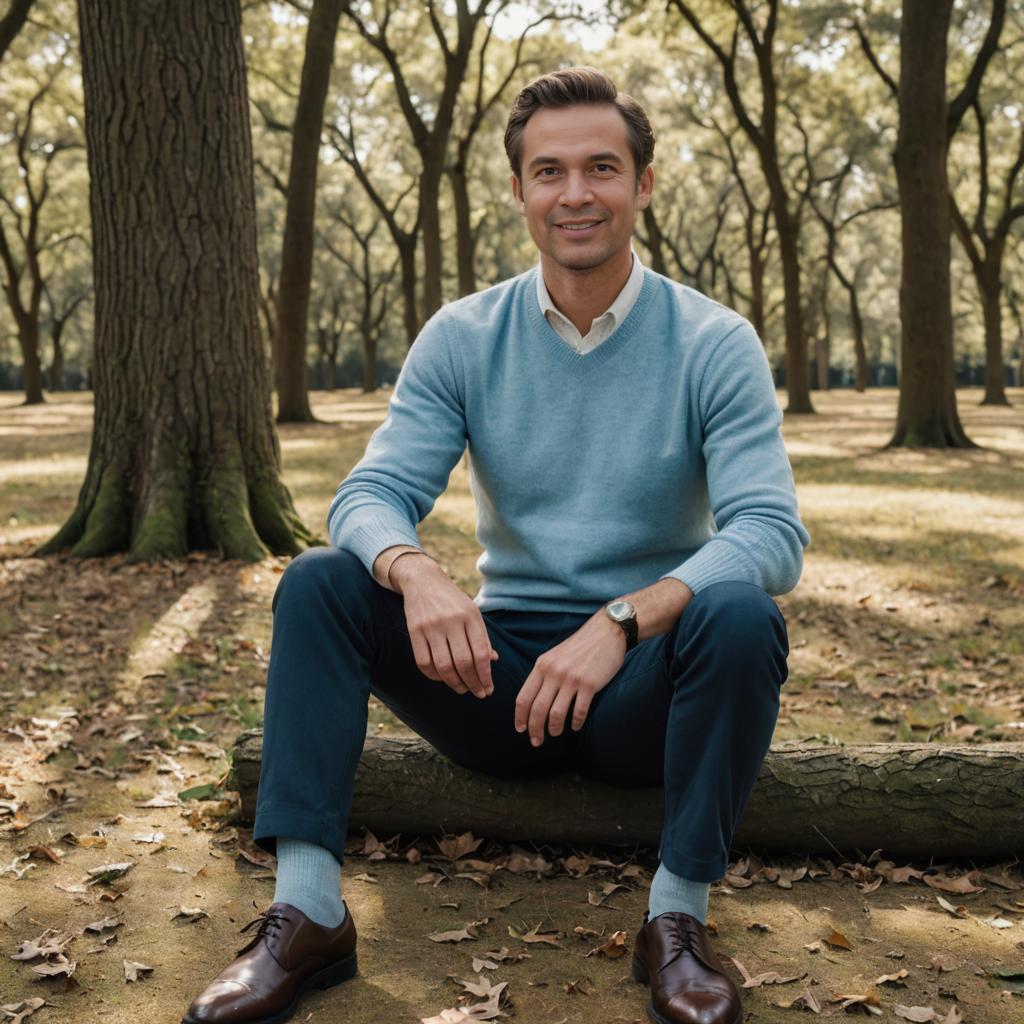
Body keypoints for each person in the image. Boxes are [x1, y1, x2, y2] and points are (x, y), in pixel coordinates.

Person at [183, 66, 809, 1024]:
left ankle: (676, 923)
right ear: (518, 192)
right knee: (320, 582)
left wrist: (623, 621)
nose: (575, 193)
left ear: (642, 184)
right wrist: (416, 571)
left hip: (644, 686)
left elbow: (771, 532)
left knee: (739, 610)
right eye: (549, 171)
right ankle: (307, 913)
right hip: (497, 684)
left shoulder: (713, 341)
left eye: (602, 167)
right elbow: (370, 494)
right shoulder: (463, 336)